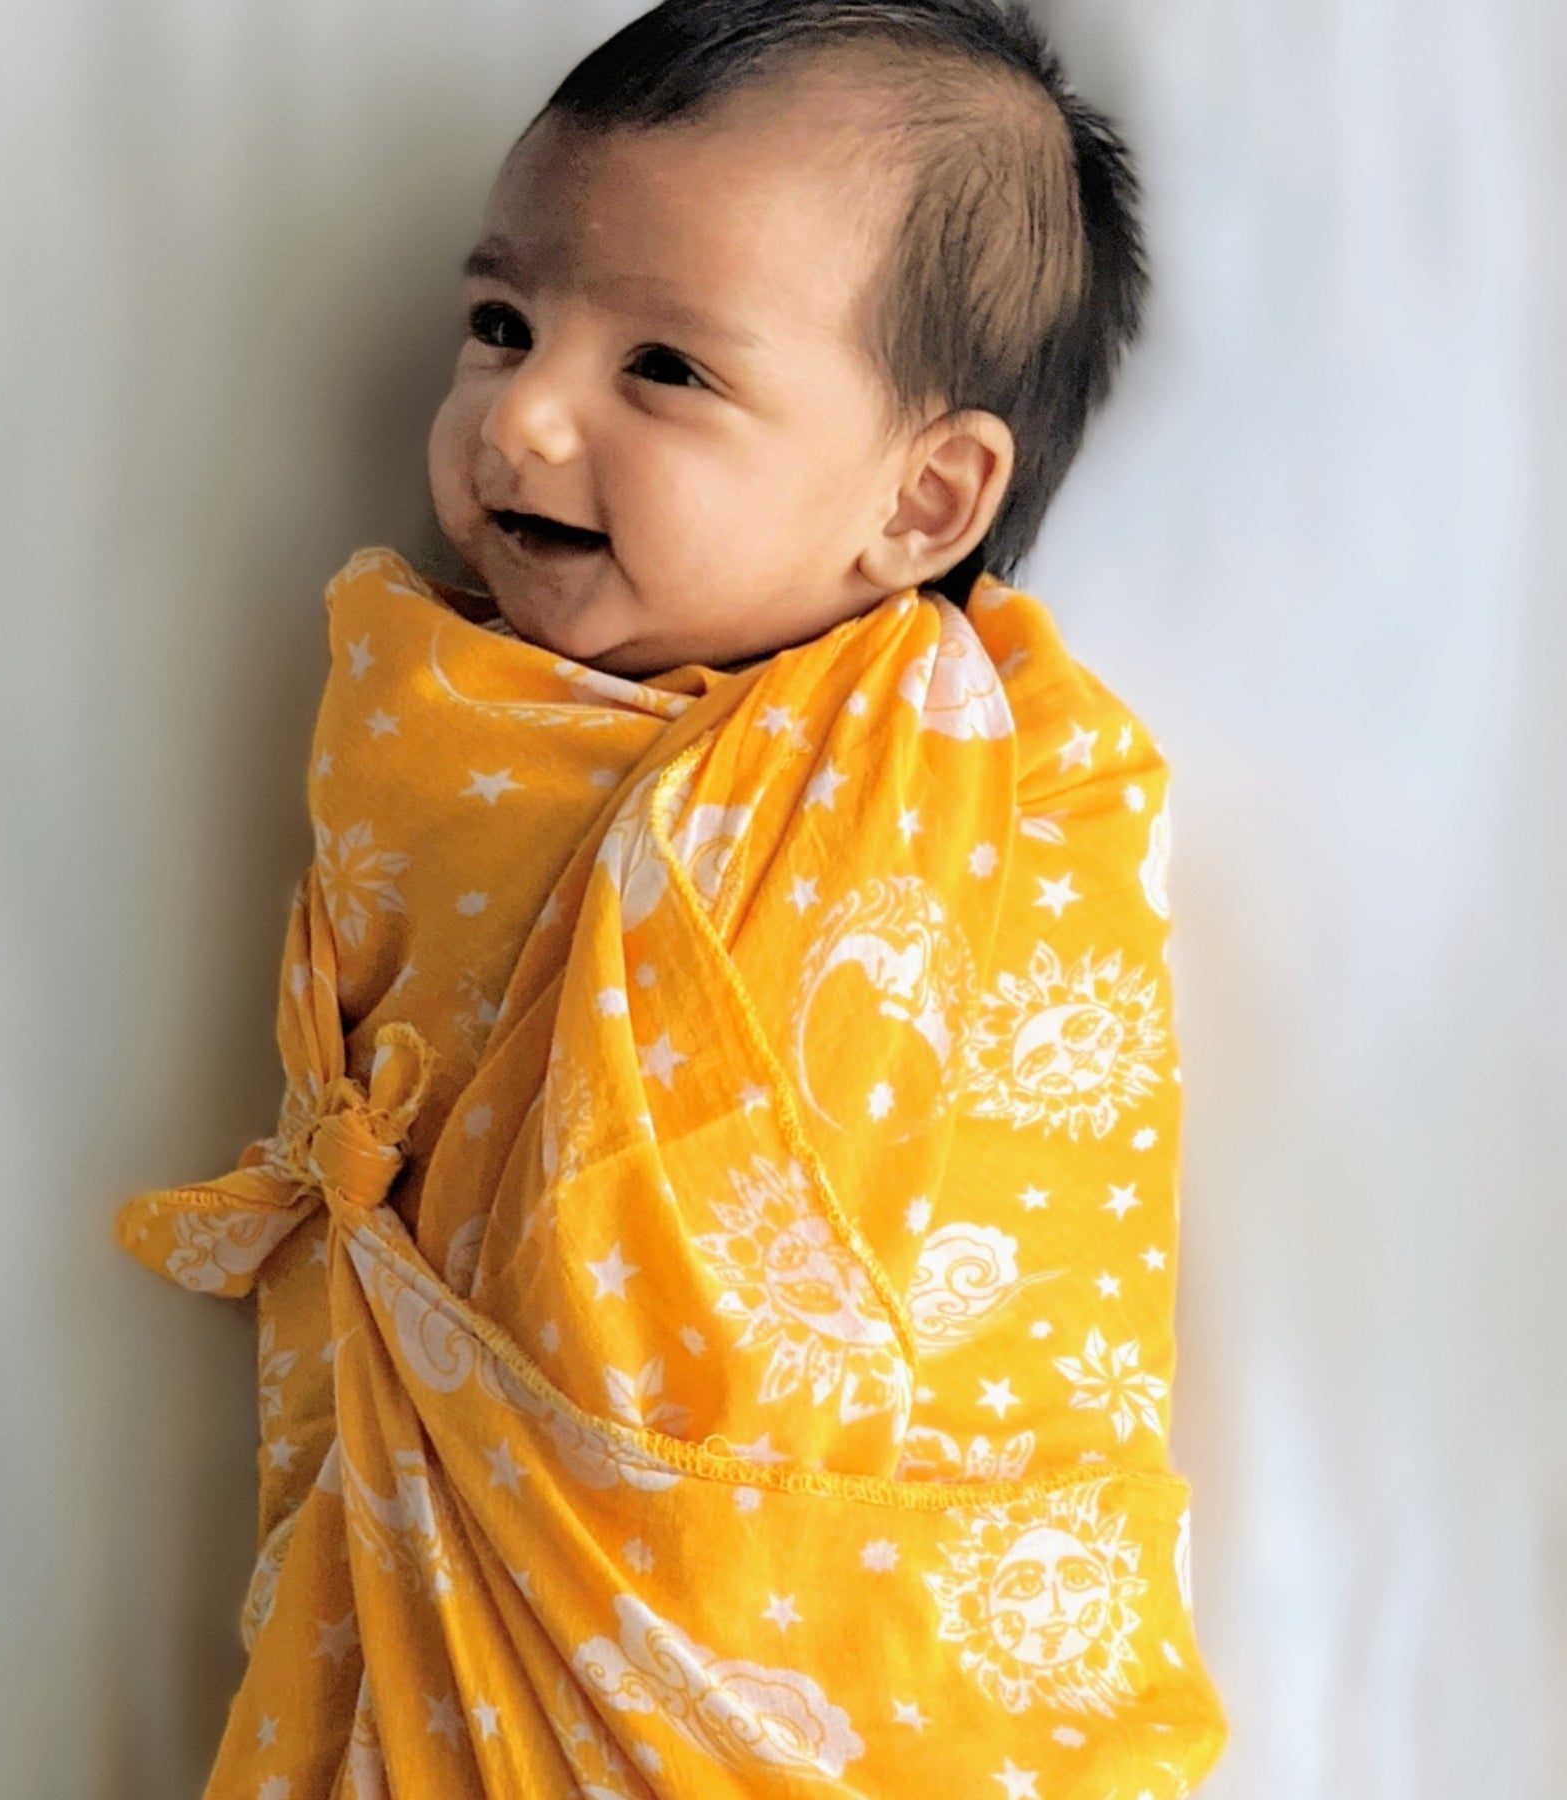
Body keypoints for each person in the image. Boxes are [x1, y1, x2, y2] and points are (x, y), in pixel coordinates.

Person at [116, 3, 1228, 1793]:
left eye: (663, 370)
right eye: (502, 324)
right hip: (445, 1525)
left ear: (923, 499)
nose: (521, 414)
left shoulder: (988, 790)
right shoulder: (438, 710)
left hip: (806, 1594)